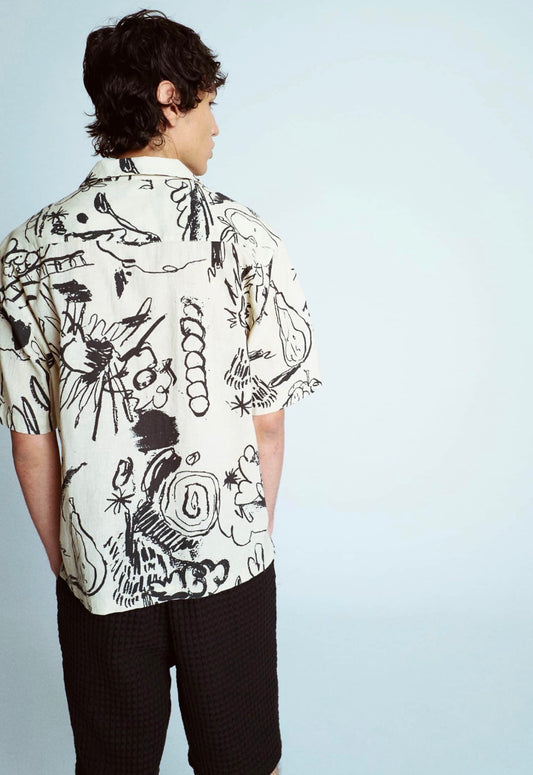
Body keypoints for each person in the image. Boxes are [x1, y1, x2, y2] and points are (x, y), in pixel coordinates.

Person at [0, 8, 323, 774]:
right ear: (170, 99)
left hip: (100, 563)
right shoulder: (246, 236)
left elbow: (29, 438)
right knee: (242, 761)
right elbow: (267, 424)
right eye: (208, 103)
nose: (216, 126)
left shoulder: (29, 248)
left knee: (112, 763)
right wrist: (244, 535)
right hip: (229, 555)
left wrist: (73, 562)